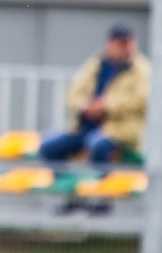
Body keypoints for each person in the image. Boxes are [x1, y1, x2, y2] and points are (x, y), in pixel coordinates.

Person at [40, 25, 151, 164]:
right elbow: (73, 94)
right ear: (110, 44)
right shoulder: (96, 64)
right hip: (85, 128)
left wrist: (106, 106)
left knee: (97, 145)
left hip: (121, 131)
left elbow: (142, 100)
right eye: (121, 43)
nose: (126, 48)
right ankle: (63, 183)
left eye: (129, 43)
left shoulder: (142, 70)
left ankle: (102, 183)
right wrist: (85, 106)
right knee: (49, 145)